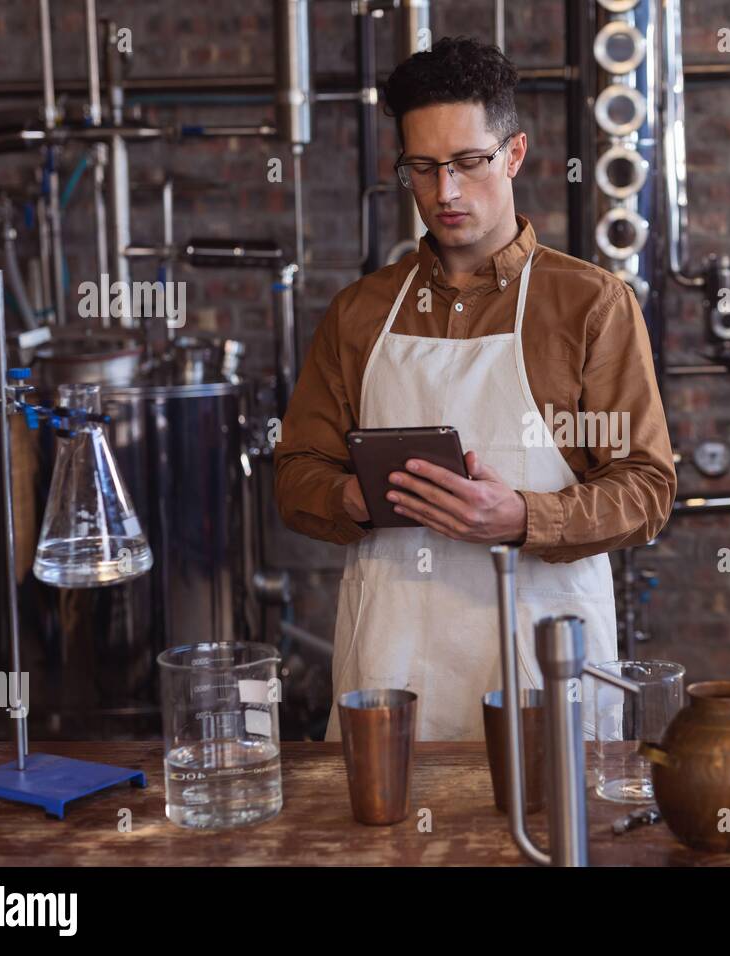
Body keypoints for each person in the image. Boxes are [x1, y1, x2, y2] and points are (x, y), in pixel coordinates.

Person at [274, 37, 675, 741]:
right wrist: (350, 497)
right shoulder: (360, 312)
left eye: (468, 162)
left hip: (541, 659)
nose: (446, 191)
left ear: (513, 154)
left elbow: (645, 488)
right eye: (422, 169)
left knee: (543, 838)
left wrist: (523, 516)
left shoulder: (589, 305)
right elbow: (296, 473)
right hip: (391, 662)